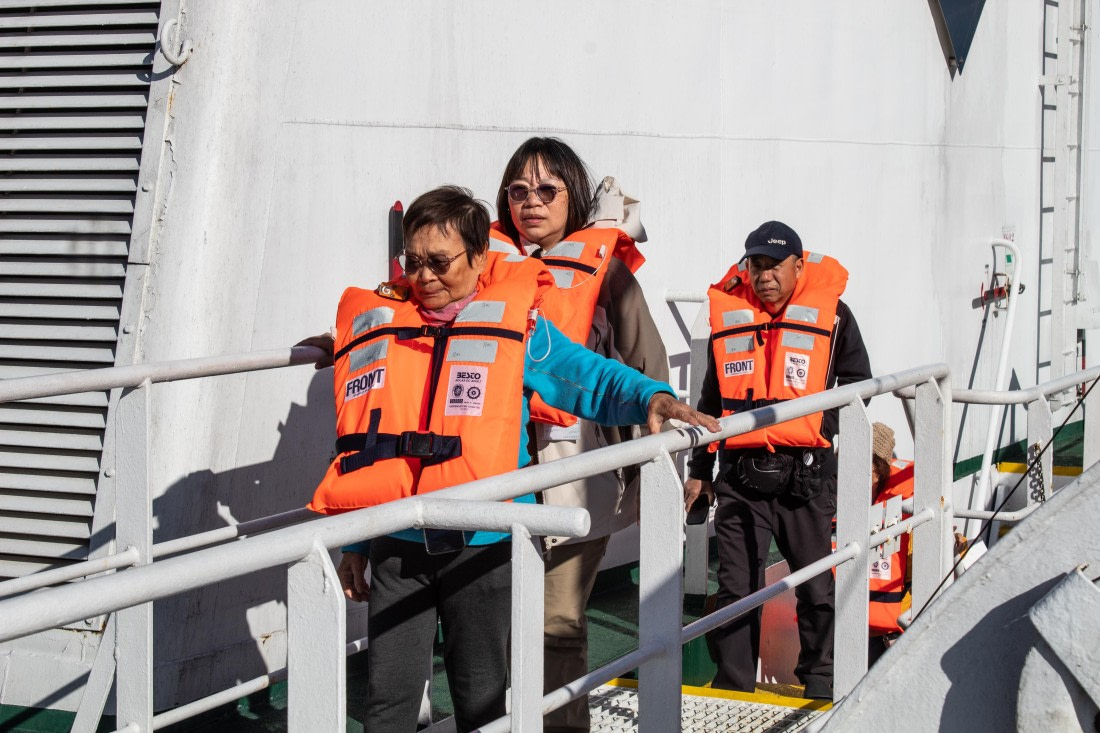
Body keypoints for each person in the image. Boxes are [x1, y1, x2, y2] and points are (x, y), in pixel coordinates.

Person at [307, 186, 720, 732]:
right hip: (398, 545)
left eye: (440, 262)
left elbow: (585, 376)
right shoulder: (386, 325)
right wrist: (358, 541)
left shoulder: (516, 326)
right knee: (388, 700)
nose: (424, 276)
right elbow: (370, 441)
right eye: (414, 262)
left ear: (480, 259)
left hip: (485, 542)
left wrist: (650, 395)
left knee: (481, 697)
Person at [492, 137, 668, 733]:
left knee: (556, 623)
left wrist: (657, 464)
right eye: (519, 191)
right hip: (497, 474)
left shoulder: (606, 271)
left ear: (575, 196)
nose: (531, 202)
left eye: (547, 190)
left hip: (577, 473)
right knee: (497, 626)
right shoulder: (483, 268)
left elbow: (647, 366)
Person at [683, 220, 872, 700]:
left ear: (799, 265)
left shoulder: (833, 316)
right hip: (742, 478)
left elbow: (859, 384)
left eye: (774, 265)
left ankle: (822, 683)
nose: (764, 276)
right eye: (756, 266)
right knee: (735, 588)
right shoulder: (733, 321)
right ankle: (733, 687)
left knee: (815, 586)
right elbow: (713, 401)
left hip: (806, 476)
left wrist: (817, 429)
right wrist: (700, 472)